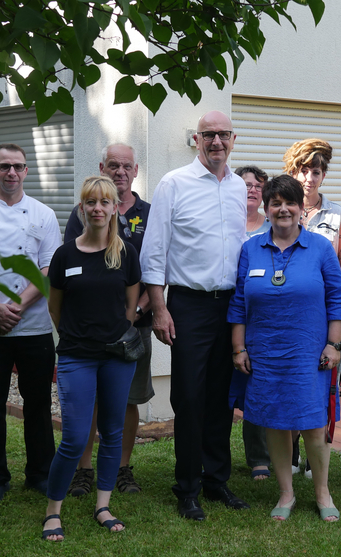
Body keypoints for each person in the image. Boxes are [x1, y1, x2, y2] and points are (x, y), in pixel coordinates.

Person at [141, 110, 250, 521]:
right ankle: (186, 486)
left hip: (231, 305)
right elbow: (154, 249)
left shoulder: (239, 187)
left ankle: (216, 479)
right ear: (196, 140)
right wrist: (159, 307)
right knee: (189, 397)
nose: (216, 142)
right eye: (209, 135)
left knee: (223, 397)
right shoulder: (174, 183)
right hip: (188, 304)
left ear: (233, 139)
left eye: (223, 135)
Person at [229, 175, 341, 521]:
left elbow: (337, 299)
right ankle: (286, 493)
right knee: (274, 422)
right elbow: (238, 303)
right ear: (266, 210)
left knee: (313, 423)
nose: (283, 209)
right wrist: (239, 348)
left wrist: (333, 344)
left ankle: (322, 492)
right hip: (264, 351)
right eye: (275, 203)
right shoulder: (250, 249)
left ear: (301, 209)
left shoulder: (321, 248)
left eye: (289, 202)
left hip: (309, 353)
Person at [42, 176, 140, 540]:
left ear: (115, 208)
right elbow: (56, 308)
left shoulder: (125, 253)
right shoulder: (64, 255)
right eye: (90, 202)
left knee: (112, 434)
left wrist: (111, 334)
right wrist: (78, 336)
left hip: (117, 357)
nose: (97, 208)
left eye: (104, 202)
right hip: (76, 358)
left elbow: (131, 307)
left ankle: (103, 504)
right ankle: (53, 510)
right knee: (74, 436)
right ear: (81, 208)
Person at [0, 143, 60, 504]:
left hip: (33, 326)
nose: (10, 173)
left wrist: (14, 308)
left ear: (26, 171)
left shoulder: (43, 214)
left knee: (37, 404)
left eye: (17, 167)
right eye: (3, 166)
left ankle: (40, 473)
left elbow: (49, 269)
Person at [62, 143, 153, 496]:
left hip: (133, 329)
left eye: (126, 165)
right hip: (89, 330)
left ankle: (121, 469)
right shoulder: (81, 213)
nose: (119, 171)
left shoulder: (148, 213)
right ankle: (84, 470)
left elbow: (157, 269)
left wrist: (137, 314)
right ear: (103, 166)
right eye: (112, 165)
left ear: (135, 170)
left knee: (127, 400)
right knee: (92, 402)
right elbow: (70, 267)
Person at [283, 138, 341, 478]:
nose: (309, 177)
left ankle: (315, 455)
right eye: (303, 170)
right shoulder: (280, 209)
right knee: (292, 382)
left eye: (316, 171)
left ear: (324, 174)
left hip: (324, 315)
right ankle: (291, 454)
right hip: (289, 314)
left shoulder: (338, 214)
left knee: (322, 385)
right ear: (292, 172)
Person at [233, 165, 271, 481]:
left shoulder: (273, 228)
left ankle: (260, 457)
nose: (252, 189)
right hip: (226, 318)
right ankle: (214, 455)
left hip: (261, 321)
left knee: (257, 389)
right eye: (246, 184)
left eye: (258, 185)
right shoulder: (225, 224)